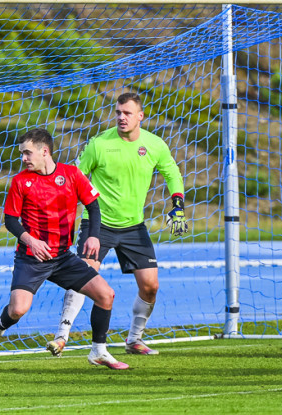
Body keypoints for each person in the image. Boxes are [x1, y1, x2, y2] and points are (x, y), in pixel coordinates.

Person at [0, 128, 129, 370]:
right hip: (31, 258)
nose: (23, 158)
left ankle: (98, 351)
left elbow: (93, 206)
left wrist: (94, 237)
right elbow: (10, 220)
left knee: (106, 295)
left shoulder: (71, 174)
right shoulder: (20, 181)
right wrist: (31, 241)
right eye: (22, 153)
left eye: (27, 153)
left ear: (45, 151)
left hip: (63, 257)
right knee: (18, 309)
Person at [45, 91, 187, 358]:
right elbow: (76, 176)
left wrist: (177, 204)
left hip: (134, 226)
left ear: (140, 116)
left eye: (127, 113)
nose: (121, 117)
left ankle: (134, 340)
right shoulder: (99, 144)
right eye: (118, 113)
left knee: (150, 286)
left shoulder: (155, 144)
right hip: (98, 225)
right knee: (83, 278)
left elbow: (172, 171)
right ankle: (61, 336)